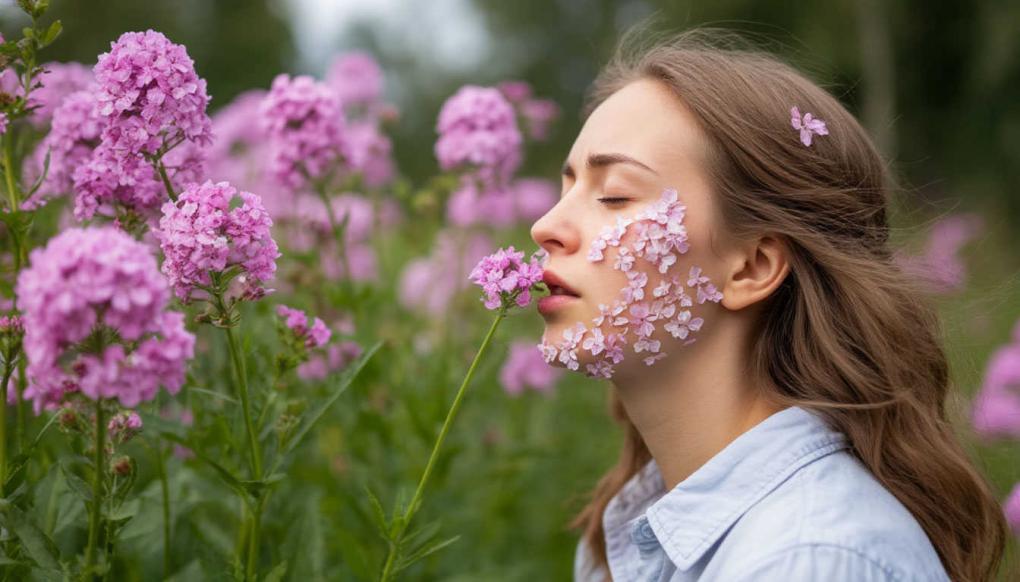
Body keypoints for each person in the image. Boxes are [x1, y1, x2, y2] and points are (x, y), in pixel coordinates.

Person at [529, 27, 1008, 582]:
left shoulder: (809, 559)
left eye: (614, 195)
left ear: (752, 267)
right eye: (565, 188)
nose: (545, 227)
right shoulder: (626, 542)